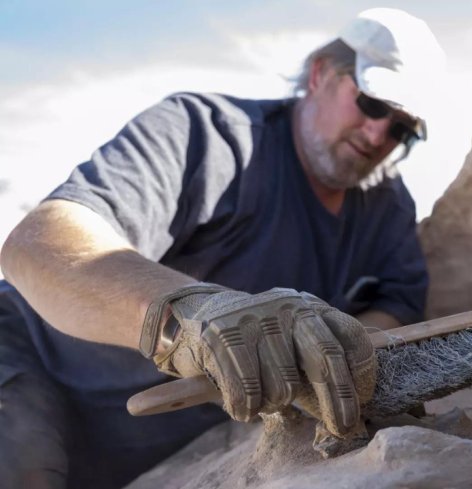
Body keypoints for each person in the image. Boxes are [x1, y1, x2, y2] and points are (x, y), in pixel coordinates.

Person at [0, 8, 444, 488]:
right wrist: (199, 312)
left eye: (402, 129)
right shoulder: (205, 135)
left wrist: (335, 347)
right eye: (373, 104)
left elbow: (397, 302)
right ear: (320, 75)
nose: (380, 135)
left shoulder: (385, 203)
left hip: (156, 444)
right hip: (31, 370)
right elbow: (36, 243)